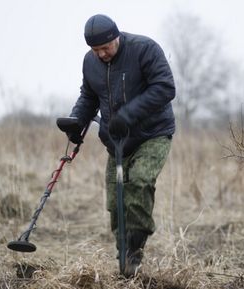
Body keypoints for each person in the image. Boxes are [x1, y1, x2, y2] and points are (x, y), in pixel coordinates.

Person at [66, 14, 176, 277]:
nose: (101, 54)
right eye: (95, 50)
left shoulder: (144, 49)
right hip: (116, 142)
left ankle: (134, 253)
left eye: (106, 47)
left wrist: (128, 114)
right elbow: (89, 96)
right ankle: (125, 262)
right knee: (117, 201)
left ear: (116, 36)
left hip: (152, 134)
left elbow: (165, 87)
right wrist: (75, 122)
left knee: (139, 181)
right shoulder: (90, 62)